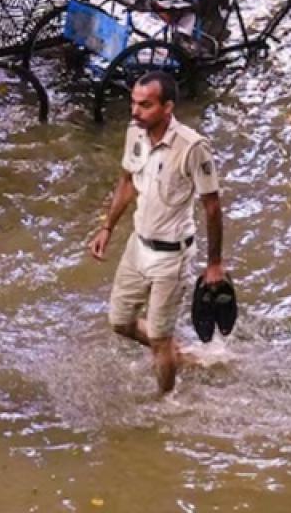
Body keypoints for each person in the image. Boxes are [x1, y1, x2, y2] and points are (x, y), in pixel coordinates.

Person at [89, 71, 223, 396]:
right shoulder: (135, 133)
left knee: (159, 338)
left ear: (167, 107)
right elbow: (126, 182)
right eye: (134, 103)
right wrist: (107, 227)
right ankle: (176, 354)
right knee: (120, 321)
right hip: (138, 246)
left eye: (145, 105)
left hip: (172, 256)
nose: (135, 111)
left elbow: (212, 207)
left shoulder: (193, 148)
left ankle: (165, 403)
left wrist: (214, 264)